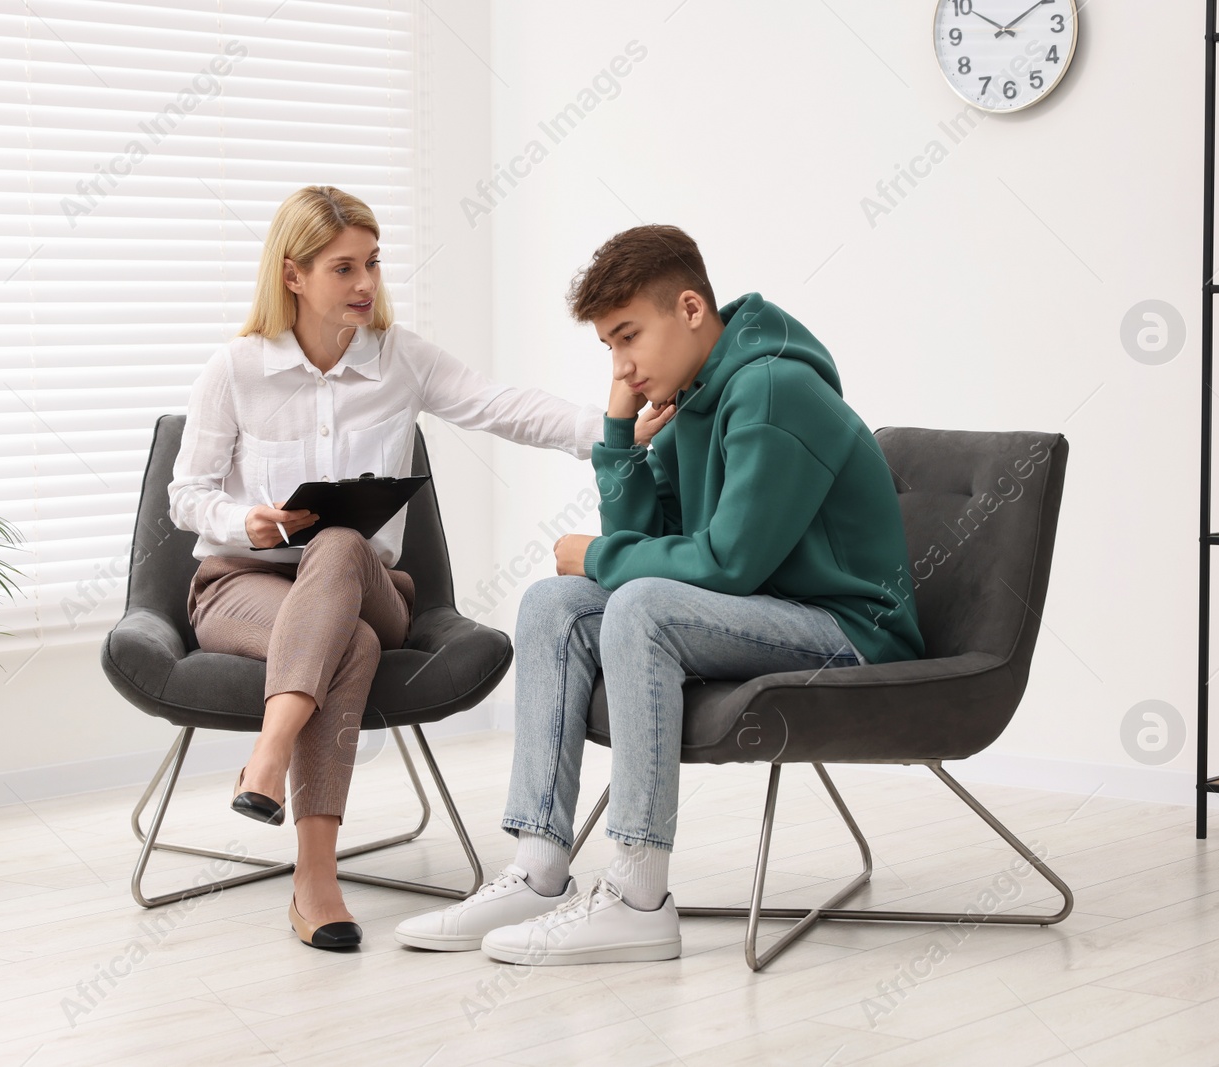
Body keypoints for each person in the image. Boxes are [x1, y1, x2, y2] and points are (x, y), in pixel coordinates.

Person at [395, 224, 924, 963]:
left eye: (627, 337)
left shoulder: (775, 389)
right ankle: (539, 868)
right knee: (554, 604)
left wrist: (601, 553)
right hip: (767, 613)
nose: (622, 364)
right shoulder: (695, 396)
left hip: (850, 630)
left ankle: (639, 894)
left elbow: (727, 563)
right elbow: (652, 535)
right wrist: (618, 434)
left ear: (689, 309)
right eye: (609, 347)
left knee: (639, 606)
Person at [166, 187, 674, 951]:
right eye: (344, 268)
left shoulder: (399, 359)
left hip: (370, 588)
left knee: (340, 546)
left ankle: (264, 761)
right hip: (242, 586)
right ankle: (315, 882)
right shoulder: (235, 370)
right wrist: (245, 520)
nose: (366, 282)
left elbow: (502, 406)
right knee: (352, 647)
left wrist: (612, 432)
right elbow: (185, 496)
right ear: (294, 275)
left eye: (372, 262)